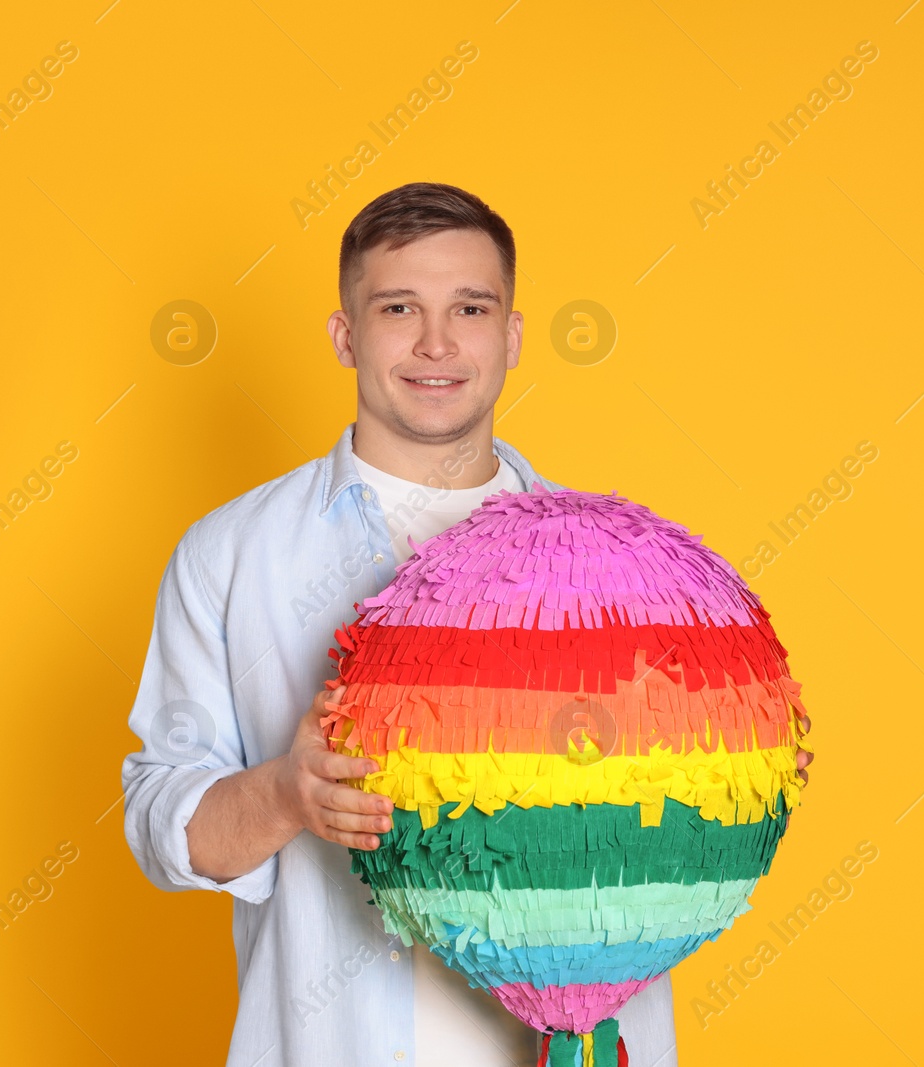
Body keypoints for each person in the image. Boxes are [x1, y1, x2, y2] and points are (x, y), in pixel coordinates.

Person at [119, 182, 812, 1067]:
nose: (437, 343)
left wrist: (743, 767)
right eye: (399, 306)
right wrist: (288, 791)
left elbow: (706, 798)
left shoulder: (635, 575)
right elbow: (160, 824)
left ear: (512, 336)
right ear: (345, 335)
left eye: (471, 308)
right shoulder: (230, 554)